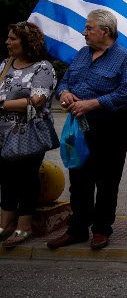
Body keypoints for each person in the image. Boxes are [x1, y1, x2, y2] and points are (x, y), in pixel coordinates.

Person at [47, 10, 127, 251]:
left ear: (105, 31)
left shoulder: (125, 58)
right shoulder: (82, 55)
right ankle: (77, 228)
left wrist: (93, 103)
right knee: (78, 177)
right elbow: (65, 81)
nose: (84, 32)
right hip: (79, 126)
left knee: (107, 179)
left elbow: (126, 93)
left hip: (109, 126)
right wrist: (64, 93)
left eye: (88, 28)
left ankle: (101, 229)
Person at [0, 22, 58, 248]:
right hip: (3, 134)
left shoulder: (43, 67)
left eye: (13, 38)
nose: (7, 42)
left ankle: (24, 226)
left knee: (26, 179)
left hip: (28, 133)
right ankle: (5, 224)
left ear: (27, 42)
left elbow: (37, 100)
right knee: (6, 177)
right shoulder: (6, 64)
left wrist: (4, 105)